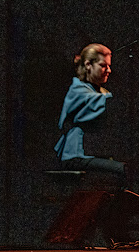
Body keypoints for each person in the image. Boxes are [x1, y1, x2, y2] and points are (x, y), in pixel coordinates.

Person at [54, 43, 126, 182]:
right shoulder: (77, 90)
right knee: (124, 170)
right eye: (103, 65)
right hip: (75, 156)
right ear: (88, 65)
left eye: (109, 66)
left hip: (91, 153)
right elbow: (102, 103)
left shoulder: (98, 91)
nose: (109, 70)